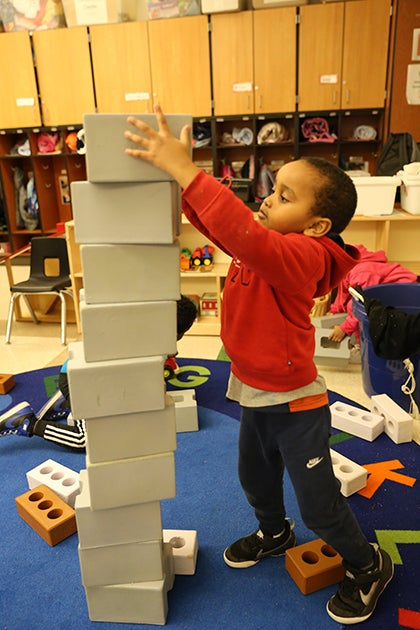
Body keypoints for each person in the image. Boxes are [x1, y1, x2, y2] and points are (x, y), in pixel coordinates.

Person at [122, 105, 394, 625]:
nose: (268, 199)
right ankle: (274, 532)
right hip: (254, 389)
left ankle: (367, 563)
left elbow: (245, 237)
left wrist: (189, 172)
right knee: (255, 477)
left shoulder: (306, 257)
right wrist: (178, 184)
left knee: (318, 503)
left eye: (284, 196)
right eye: (273, 189)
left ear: (318, 225)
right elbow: (227, 231)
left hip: (296, 402)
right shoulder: (265, 246)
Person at [0, 295, 197, 451]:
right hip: (81, 381)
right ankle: (26, 421)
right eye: (180, 335)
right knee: (83, 440)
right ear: (172, 332)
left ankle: (66, 401)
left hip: (82, 374)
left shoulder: (142, 322)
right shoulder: (149, 346)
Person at [328, 243, 418, 344]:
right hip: (385, 288)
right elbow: (344, 291)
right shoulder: (348, 268)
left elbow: (364, 305)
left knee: (354, 307)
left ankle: (361, 343)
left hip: (403, 291)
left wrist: (344, 328)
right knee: (352, 304)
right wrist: (334, 310)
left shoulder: (361, 272)